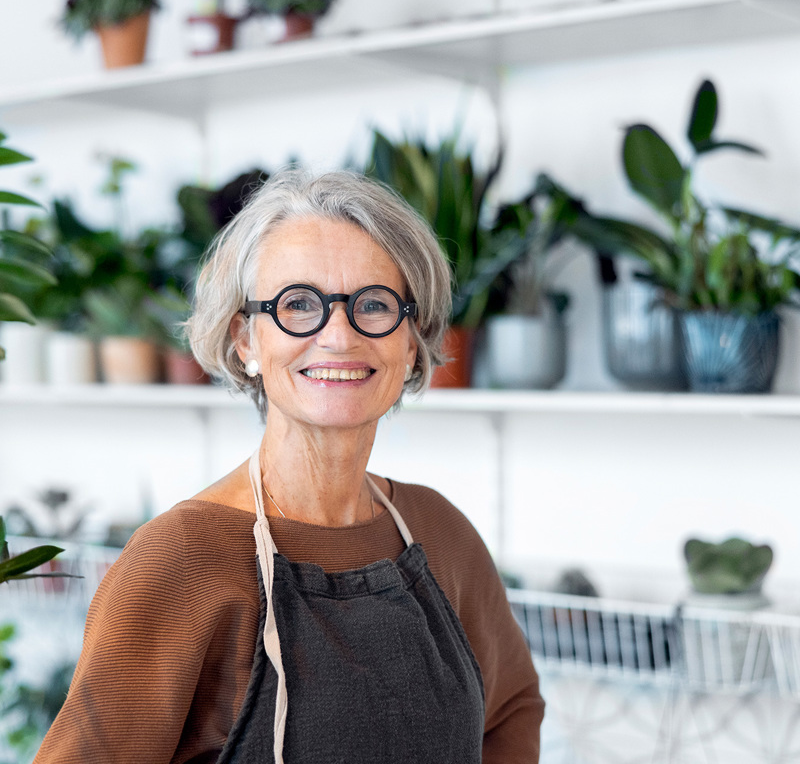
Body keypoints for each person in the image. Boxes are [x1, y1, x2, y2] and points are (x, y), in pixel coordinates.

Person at [34, 168, 544, 763]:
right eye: (298, 304)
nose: (338, 336)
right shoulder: (181, 562)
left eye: (374, 305)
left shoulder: (439, 533)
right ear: (246, 340)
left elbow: (511, 709)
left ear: (411, 341)